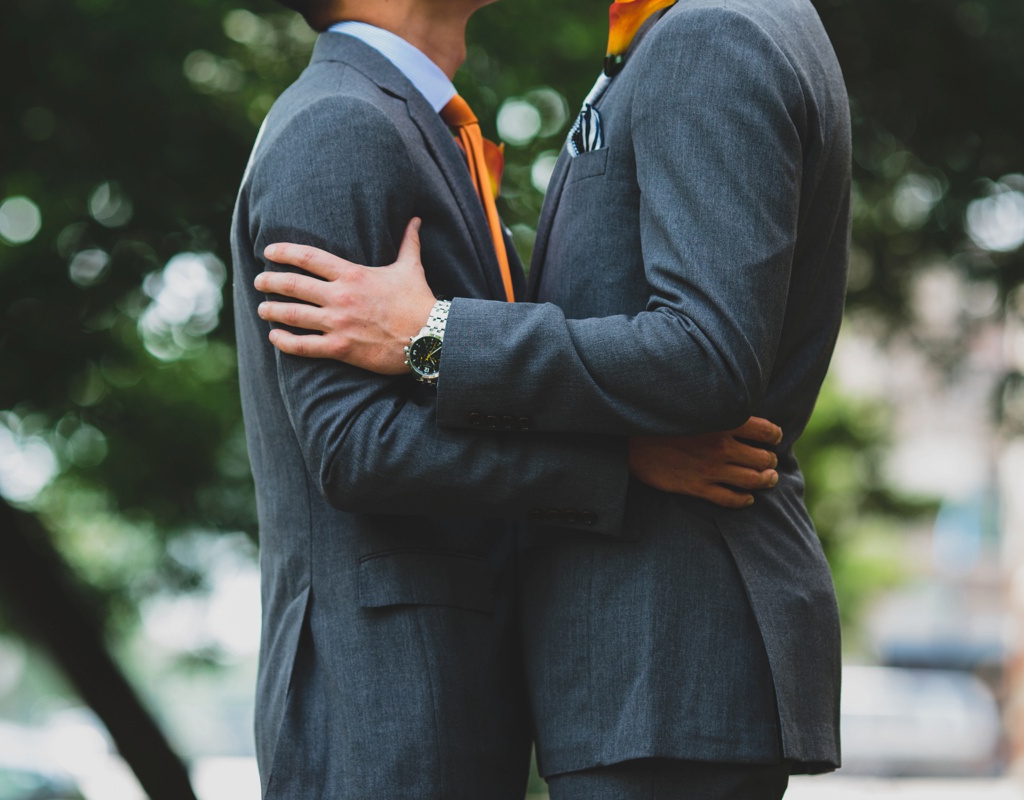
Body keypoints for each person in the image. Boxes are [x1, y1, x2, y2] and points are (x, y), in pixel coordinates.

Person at [255, 0, 851, 796]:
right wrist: (619, 463)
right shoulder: (341, 124)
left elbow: (707, 351)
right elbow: (350, 443)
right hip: (436, 698)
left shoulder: (710, 32)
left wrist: (434, 333)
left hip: (661, 654)